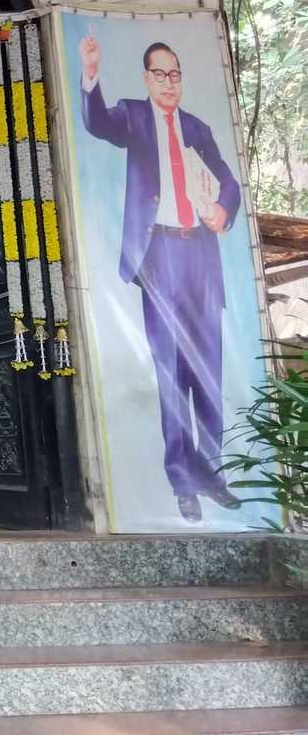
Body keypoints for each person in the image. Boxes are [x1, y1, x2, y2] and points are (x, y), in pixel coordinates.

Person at [79, 34, 241, 522]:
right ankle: (182, 481)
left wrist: (222, 210)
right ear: (146, 78)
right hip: (160, 254)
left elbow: (229, 182)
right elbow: (97, 123)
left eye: (175, 74)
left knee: (207, 371)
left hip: (201, 256)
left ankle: (213, 473)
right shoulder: (133, 117)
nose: (169, 83)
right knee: (171, 373)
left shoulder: (197, 128)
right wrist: (90, 76)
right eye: (160, 74)